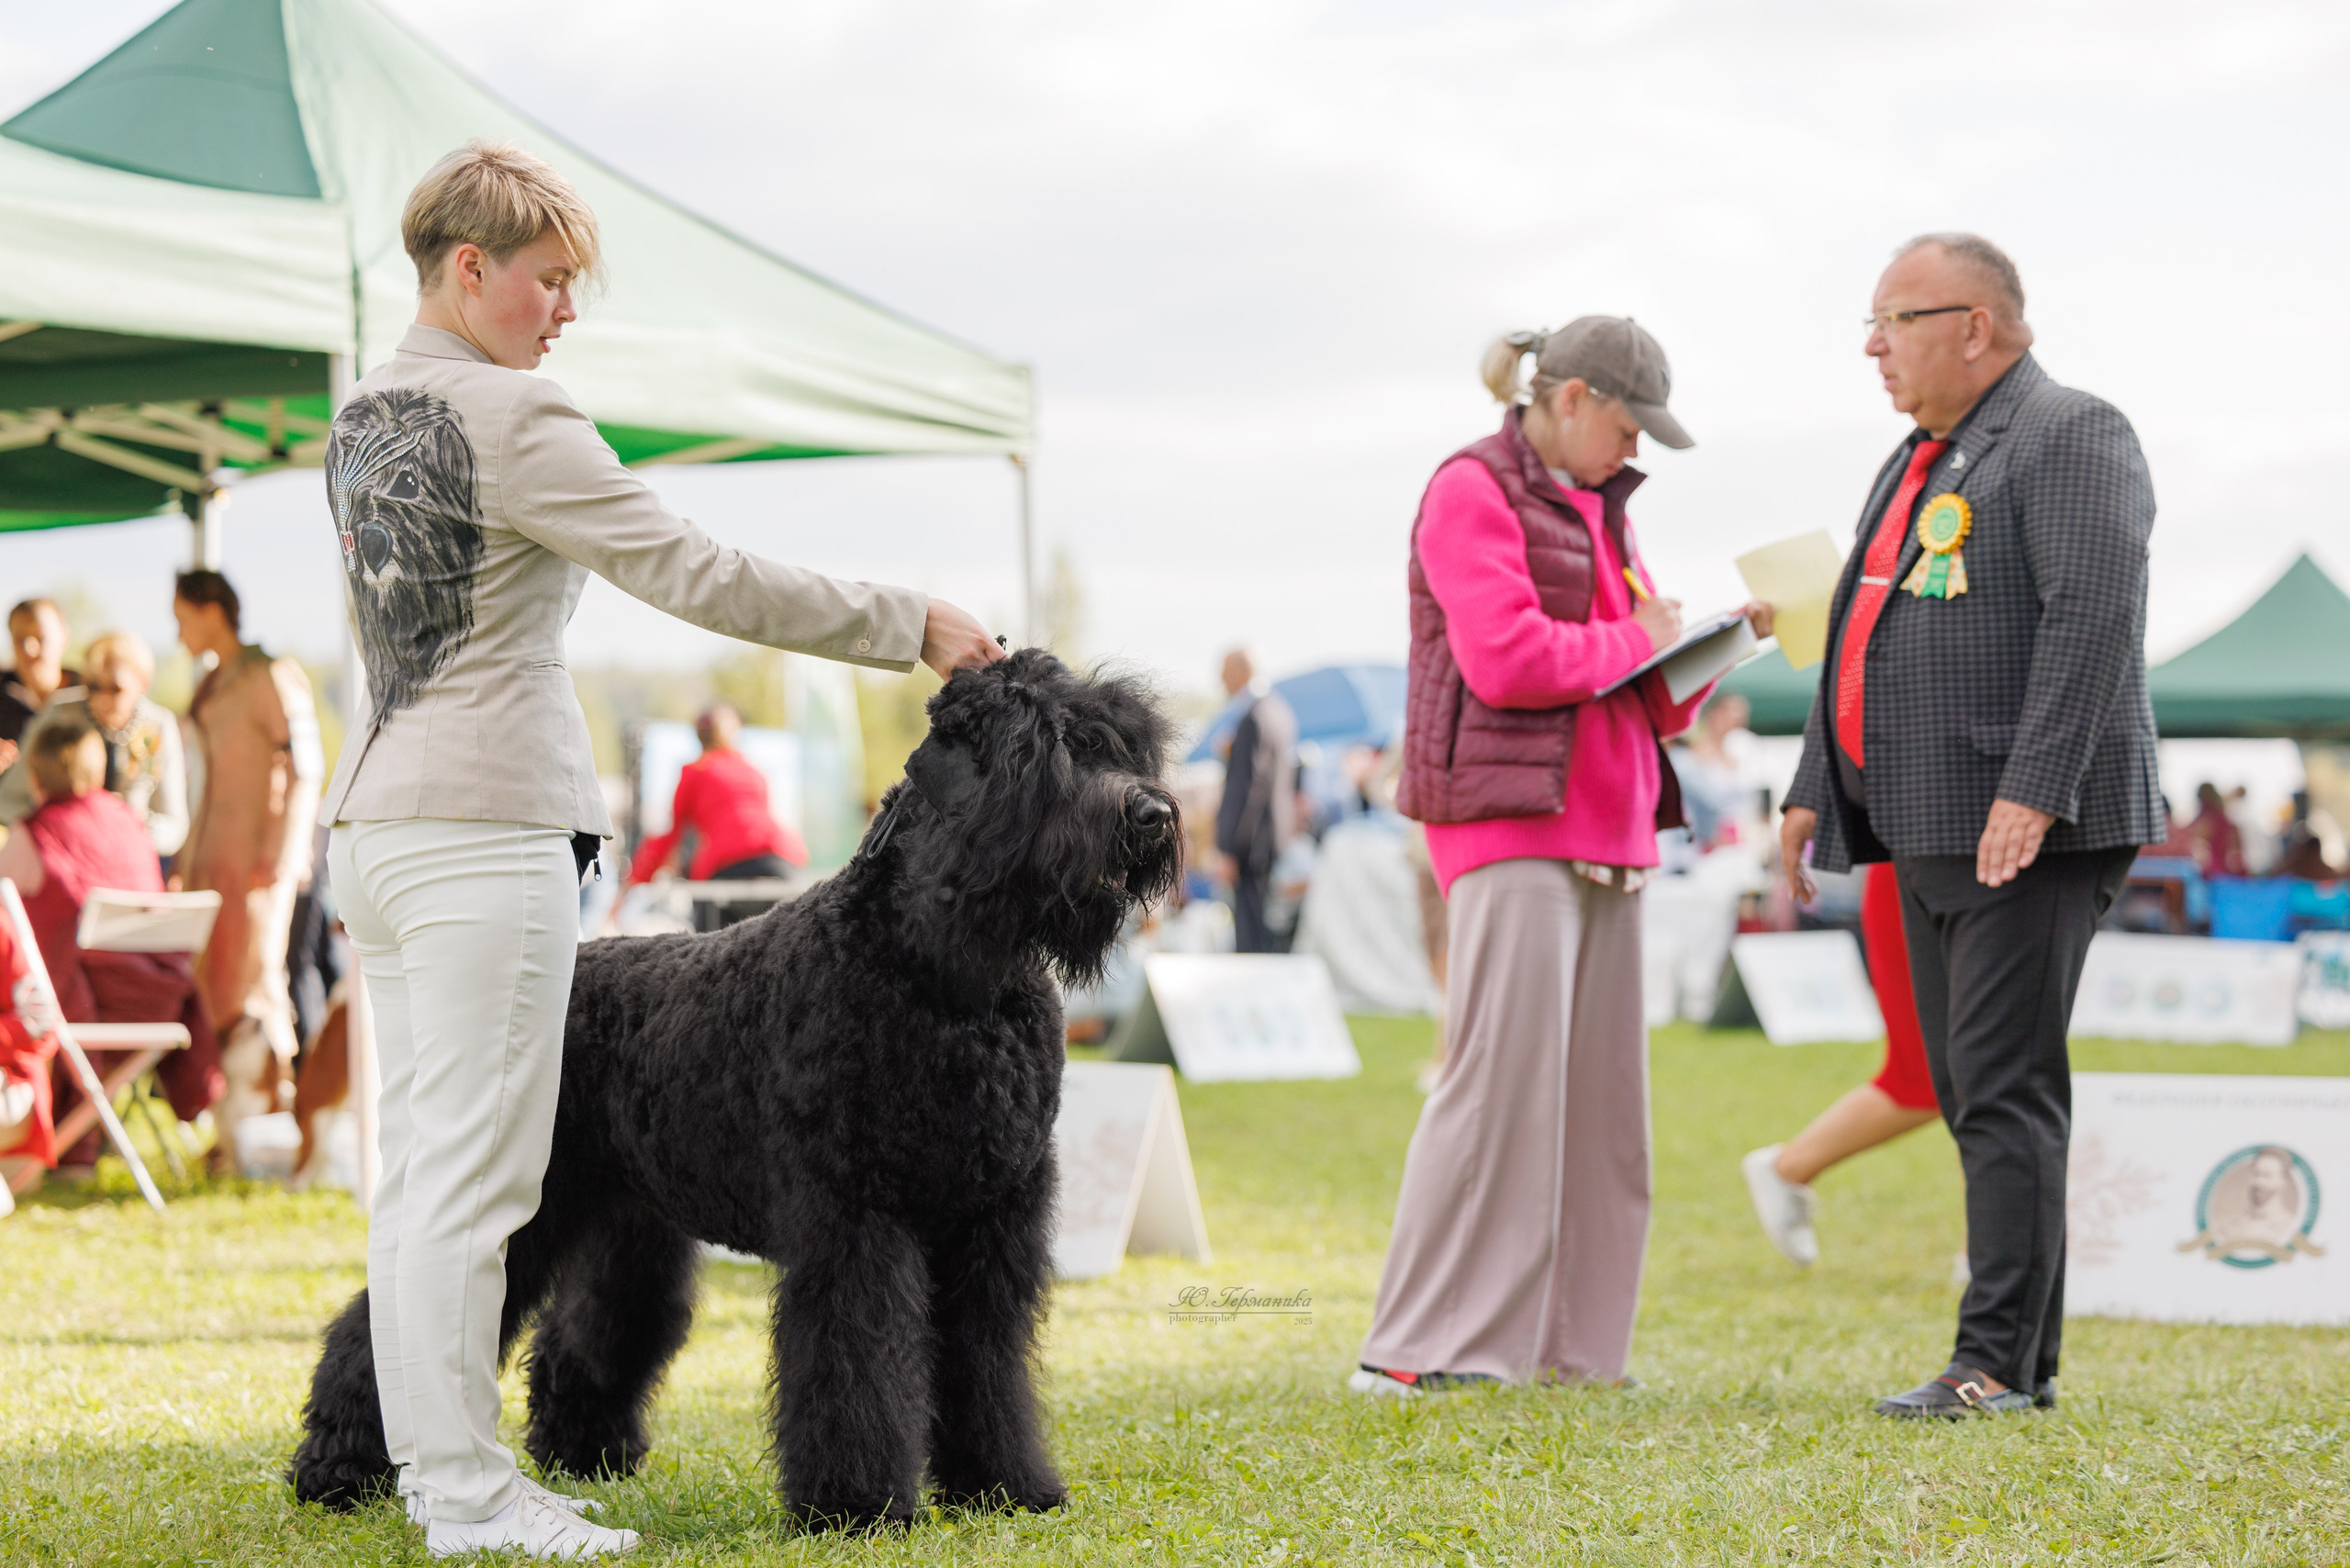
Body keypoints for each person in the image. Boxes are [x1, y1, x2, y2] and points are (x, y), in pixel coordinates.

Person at [323, 140, 1002, 1559]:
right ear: (471, 269)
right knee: (483, 1182)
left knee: (423, 1179)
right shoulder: (516, 417)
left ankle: (419, 1464)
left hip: (377, 824)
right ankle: (462, 1492)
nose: (565, 310)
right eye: (550, 280)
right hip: (482, 828)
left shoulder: (367, 410)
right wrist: (906, 620)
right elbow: (699, 570)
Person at [1780, 234, 2163, 1418]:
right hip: (1927, 820)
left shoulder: (2072, 432)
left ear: (1976, 326)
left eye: (1894, 319)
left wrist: (2035, 789)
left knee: (2000, 1089)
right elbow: (1855, 631)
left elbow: (2093, 617)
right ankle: (2020, 1363)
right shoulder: (1915, 458)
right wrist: (1809, 783)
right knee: (1972, 1091)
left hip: (2024, 824)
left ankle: (1988, 1361)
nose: (1872, 345)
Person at [1354, 315, 1772, 1396]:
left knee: (1602, 1120)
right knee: (1497, 1096)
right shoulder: (1470, 487)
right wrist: (1643, 640)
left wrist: (1716, 640)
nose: (1635, 454)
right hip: (1509, 824)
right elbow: (1505, 659)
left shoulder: (1599, 507)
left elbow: (1639, 691)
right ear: (1575, 397)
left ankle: (1574, 1352)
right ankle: (1417, 1352)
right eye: (1630, 427)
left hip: (1611, 823)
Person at [0, 713, 221, 1174]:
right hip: (159, 1003)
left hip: (86, 1010)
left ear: (35, 776)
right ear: (99, 771)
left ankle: (56, 1146)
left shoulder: (33, 834)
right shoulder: (128, 823)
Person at [175, 569, 323, 1170]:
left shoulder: (271, 674)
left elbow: (307, 768)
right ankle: (233, 1134)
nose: (178, 628)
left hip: (259, 865)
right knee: (218, 990)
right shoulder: (212, 682)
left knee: (259, 984)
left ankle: (282, 1123)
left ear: (212, 609)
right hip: (214, 863)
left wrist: (285, 855)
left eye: (182, 612)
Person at [1741, 861, 1940, 1264]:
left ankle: (1989, 1248)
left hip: (2007, 884)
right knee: (1925, 1079)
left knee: (1972, 1077)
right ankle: (1788, 1166)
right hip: (1921, 869)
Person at [0, 630, 189, 856]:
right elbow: (9, 800)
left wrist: (128, 835)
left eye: (116, 688)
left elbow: (174, 824)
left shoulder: (158, 726)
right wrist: (55, 830)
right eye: (94, 687)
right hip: (63, 852)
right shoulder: (60, 714)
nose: (102, 698)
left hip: (130, 855)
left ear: (143, 683)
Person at [627, 704, 808, 930]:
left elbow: (668, 835)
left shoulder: (696, 771)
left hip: (728, 865)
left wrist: (633, 882)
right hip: (780, 861)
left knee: (706, 947)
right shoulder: (753, 771)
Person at [1213, 649, 1298, 953]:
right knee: (1264, 923)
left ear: (1238, 672)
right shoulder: (1280, 711)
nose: (1220, 680)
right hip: (1273, 837)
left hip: (1249, 845)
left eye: (1223, 672)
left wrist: (1229, 848)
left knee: (1250, 931)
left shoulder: (1252, 717)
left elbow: (1248, 788)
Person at [0, 598, 75, 771]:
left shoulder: (90, 696)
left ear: (64, 638)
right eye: (19, 639)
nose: (29, 649)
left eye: (40, 638)